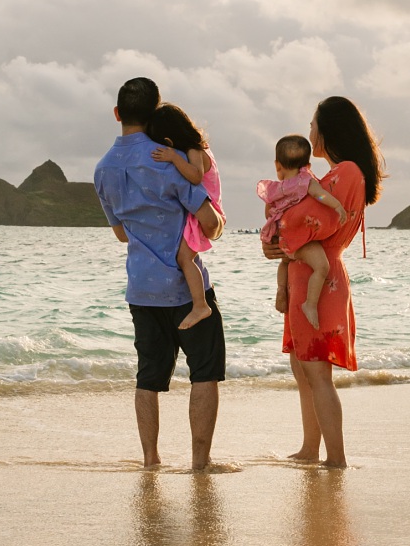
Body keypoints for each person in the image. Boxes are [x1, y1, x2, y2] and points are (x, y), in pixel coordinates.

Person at [94, 77, 226, 472]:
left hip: (141, 287)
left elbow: (120, 233)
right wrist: (217, 220)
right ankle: (199, 463)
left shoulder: (102, 169)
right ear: (154, 114)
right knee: (204, 372)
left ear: (117, 114)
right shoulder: (165, 160)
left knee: (148, 377)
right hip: (186, 290)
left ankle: (151, 460)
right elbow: (209, 221)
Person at [263, 96, 383, 469]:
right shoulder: (331, 175)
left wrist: (278, 237)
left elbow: (310, 220)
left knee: (316, 371)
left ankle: (336, 458)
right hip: (305, 272)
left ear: (328, 130)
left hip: (321, 274)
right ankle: (310, 448)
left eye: (313, 124)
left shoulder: (345, 172)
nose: (309, 130)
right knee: (302, 368)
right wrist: (281, 245)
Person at [146, 102, 224, 331]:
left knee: (184, 258)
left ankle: (200, 305)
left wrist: (173, 157)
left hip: (206, 211)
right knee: (183, 257)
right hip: (202, 210)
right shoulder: (199, 147)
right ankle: (198, 303)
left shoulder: (194, 150)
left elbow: (196, 176)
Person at [257, 134, 346, 326]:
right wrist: (337, 205)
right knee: (322, 267)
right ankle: (310, 304)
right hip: (300, 240)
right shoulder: (305, 182)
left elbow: (268, 213)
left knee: (285, 263)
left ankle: (281, 289)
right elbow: (321, 195)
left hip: (282, 239)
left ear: (277, 165)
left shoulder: (275, 189)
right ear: (308, 165)